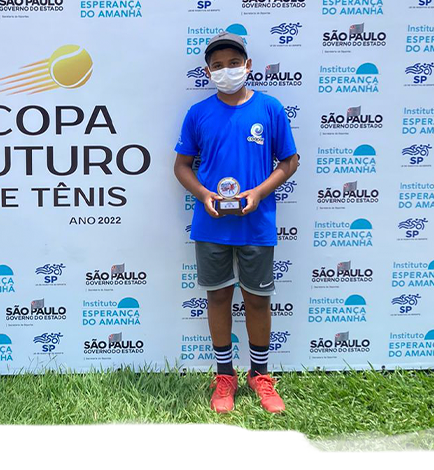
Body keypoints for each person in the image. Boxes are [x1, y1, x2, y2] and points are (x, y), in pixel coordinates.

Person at [173, 32, 298, 414]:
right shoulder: (198, 114)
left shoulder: (270, 108)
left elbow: (289, 161)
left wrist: (258, 192)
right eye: (217, 65)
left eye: (233, 63)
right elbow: (181, 166)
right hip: (211, 224)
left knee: (257, 300)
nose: (226, 70)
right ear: (207, 72)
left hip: (256, 223)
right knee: (218, 297)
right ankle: (224, 375)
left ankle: (260, 375)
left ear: (247, 66)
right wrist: (203, 194)